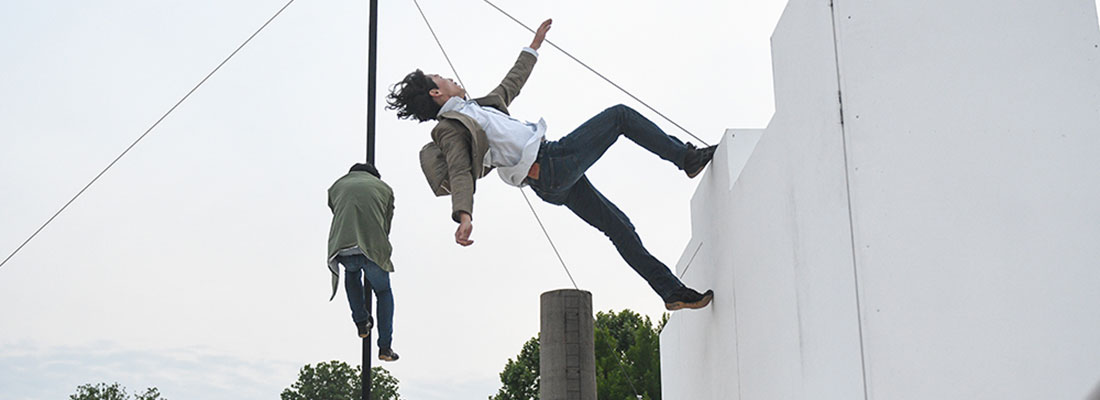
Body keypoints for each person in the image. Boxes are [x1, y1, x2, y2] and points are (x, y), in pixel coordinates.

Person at [385, 19, 715, 311]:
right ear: (436, 92)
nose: (451, 78)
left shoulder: (478, 107)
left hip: (551, 179)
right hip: (551, 163)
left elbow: (511, 83)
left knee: (619, 227)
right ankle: (686, 158)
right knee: (619, 116)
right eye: (443, 78)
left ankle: (671, 291)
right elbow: (459, 170)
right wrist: (464, 215)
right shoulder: (450, 127)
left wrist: (534, 46)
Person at [326, 162, 399, 361]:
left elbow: (336, 210)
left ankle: (361, 322)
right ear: (374, 176)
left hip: (343, 244)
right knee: (383, 292)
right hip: (371, 246)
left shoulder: (336, 186)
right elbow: (386, 221)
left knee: (352, 273)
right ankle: (385, 347)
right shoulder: (384, 188)